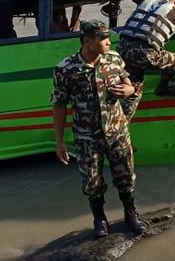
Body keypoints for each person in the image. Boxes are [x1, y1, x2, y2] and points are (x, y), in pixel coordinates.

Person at [51, 21, 145, 237]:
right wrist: (59, 141)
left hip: (117, 132)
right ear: (87, 42)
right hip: (87, 137)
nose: (108, 42)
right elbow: (58, 105)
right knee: (92, 182)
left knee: (126, 177)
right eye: (103, 39)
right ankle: (100, 220)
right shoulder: (65, 69)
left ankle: (131, 214)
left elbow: (127, 81)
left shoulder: (113, 58)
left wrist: (129, 89)